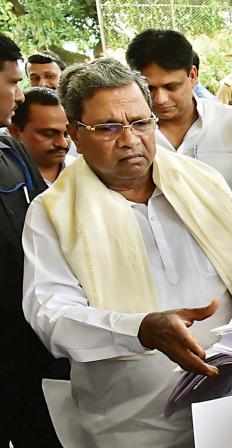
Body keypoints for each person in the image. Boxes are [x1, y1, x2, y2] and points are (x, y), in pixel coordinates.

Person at [22, 58, 232, 446]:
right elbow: (51, 315)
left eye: (139, 122)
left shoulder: (203, 182)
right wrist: (138, 330)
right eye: (108, 128)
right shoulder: (52, 212)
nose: (129, 140)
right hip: (135, 426)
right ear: (75, 134)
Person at [0, 33, 63, 448]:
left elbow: (48, 219)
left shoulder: (10, 150)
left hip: (27, 341)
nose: (19, 95)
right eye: (11, 82)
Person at [126, 29, 232, 207]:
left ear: (192, 76)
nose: (160, 99)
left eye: (171, 86)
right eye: (149, 88)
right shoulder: (126, 135)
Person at [8, 87, 74, 186]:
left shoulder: (86, 171)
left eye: (66, 134)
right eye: (49, 134)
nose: (63, 143)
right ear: (15, 131)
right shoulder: (6, 179)